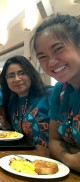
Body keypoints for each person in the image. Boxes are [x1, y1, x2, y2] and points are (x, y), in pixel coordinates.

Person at [30, 14, 80, 172]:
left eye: (58, 49)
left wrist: (64, 151)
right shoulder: (60, 90)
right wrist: (70, 158)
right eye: (42, 57)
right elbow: (53, 141)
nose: (51, 62)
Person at [0, 55, 53, 147]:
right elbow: (19, 133)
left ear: (31, 74)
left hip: (50, 158)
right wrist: (5, 125)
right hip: (24, 156)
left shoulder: (50, 95)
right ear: (6, 80)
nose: (17, 79)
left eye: (22, 73)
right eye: (11, 75)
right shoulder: (12, 101)